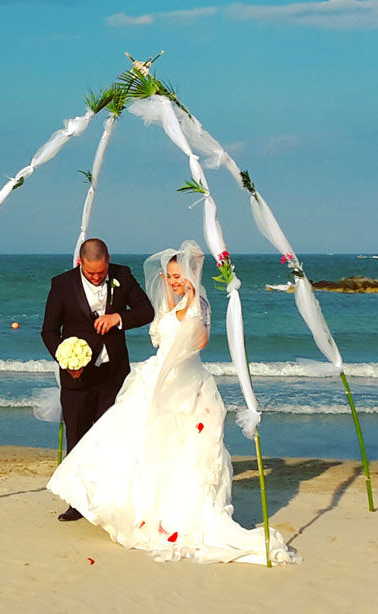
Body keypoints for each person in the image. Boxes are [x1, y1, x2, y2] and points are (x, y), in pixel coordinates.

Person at [47, 240, 297, 565]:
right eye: (171, 276)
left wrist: (186, 307)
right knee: (125, 441)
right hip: (144, 376)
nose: (175, 280)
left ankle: (170, 512)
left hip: (182, 382)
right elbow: (159, 318)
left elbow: (196, 339)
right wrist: (67, 357)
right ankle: (102, 504)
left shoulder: (196, 305)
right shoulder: (168, 301)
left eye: (180, 275)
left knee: (176, 449)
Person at [41, 238, 155, 521]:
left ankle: (109, 500)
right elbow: (49, 330)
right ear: (81, 263)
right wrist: (67, 361)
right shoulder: (62, 284)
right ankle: (76, 502)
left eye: (101, 273)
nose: (96, 277)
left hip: (113, 373)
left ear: (108, 261)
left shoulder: (123, 276)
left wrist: (118, 317)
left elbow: (147, 311)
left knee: (111, 437)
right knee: (78, 437)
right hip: (77, 377)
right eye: (91, 273)